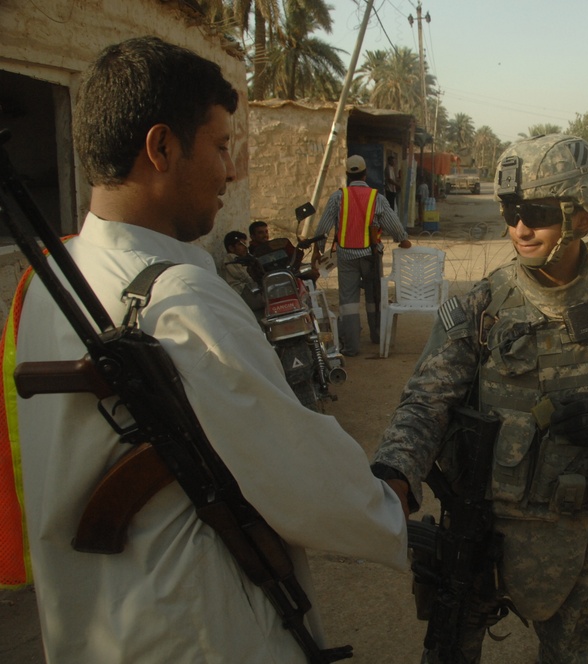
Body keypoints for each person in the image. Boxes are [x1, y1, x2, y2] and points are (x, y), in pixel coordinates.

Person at [11, 36, 407, 663]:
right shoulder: (184, 297)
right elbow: (299, 473)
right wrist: (391, 504)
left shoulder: (50, 279)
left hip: (93, 623)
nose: (233, 171)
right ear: (161, 147)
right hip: (196, 629)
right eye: (222, 146)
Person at [372, 134, 588, 663]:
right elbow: (426, 402)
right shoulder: (481, 307)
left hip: (581, 533)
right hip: (481, 525)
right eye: (510, 209)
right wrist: (396, 468)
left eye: (538, 212)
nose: (519, 227)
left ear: (584, 218)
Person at [315, 154, 411, 357]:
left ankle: (351, 346)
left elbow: (323, 228)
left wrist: (318, 249)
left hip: (345, 255)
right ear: (366, 174)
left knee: (348, 301)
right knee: (373, 296)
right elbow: (392, 224)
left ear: (348, 174)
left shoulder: (338, 197)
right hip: (370, 255)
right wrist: (402, 239)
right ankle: (376, 336)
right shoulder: (377, 198)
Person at [220, 230, 264, 316]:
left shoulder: (241, 259)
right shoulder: (231, 258)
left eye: (245, 244)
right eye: (240, 244)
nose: (245, 247)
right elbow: (243, 276)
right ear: (231, 248)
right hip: (241, 291)